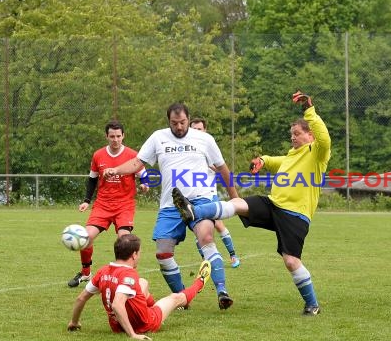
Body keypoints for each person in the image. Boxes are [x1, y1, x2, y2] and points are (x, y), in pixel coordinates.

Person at [172, 91, 330, 316]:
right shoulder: (292, 156)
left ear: (310, 135)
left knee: (291, 261)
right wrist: (262, 160)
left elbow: (325, 138)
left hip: (295, 216)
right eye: (291, 134)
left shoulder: (317, 154)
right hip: (273, 205)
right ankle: (193, 210)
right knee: (238, 204)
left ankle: (312, 304)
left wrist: (309, 109)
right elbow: (276, 161)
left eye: (297, 134)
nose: (293, 137)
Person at [102, 103, 238, 310]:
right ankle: (183, 297)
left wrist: (234, 197)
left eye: (183, 122)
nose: (179, 127)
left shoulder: (205, 139)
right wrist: (116, 170)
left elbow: (222, 168)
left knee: (206, 238)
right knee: (163, 254)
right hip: (171, 204)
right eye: (175, 123)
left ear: (188, 119)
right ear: (169, 122)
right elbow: (137, 163)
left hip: (200, 200)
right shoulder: (158, 137)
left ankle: (222, 291)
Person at [67, 234, 211, 340]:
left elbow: (81, 298)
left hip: (117, 326)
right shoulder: (129, 275)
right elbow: (117, 304)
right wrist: (133, 335)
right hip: (144, 323)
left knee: (143, 282)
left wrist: (74, 322)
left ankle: (152, 305)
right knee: (175, 298)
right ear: (134, 255)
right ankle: (200, 281)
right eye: (139, 253)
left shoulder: (103, 271)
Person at [69, 120, 149, 288]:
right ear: (106, 136)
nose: (115, 139)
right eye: (112, 136)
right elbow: (92, 179)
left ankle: (127, 278)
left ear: (123, 136)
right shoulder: (98, 155)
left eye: (118, 136)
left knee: (124, 240)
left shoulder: (132, 155)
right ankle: (85, 273)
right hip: (103, 204)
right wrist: (86, 201)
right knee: (86, 237)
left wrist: (144, 184)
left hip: (124, 204)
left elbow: (144, 174)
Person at [189, 117, 240, 268]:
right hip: (192, 194)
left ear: (205, 130)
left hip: (208, 193)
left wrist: (211, 167)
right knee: (199, 229)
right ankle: (207, 260)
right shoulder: (187, 149)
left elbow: (221, 169)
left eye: (199, 129)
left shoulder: (208, 146)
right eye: (194, 129)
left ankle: (233, 255)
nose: (196, 132)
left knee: (218, 225)